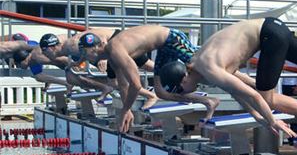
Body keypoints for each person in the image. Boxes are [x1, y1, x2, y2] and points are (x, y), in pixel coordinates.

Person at [158, 18, 297, 139]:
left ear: (183, 80)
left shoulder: (209, 69)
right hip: (273, 26)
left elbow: (253, 96)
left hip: (268, 38)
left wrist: (271, 121)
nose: (186, 93)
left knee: (267, 98)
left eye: (182, 91)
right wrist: (258, 117)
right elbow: (237, 91)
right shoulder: (200, 58)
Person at [79, 26, 218, 132]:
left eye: (88, 52)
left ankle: (238, 77)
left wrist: (125, 109)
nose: (87, 56)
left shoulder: (115, 50)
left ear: (100, 46)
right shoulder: (112, 57)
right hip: (163, 47)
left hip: (172, 38)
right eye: (84, 52)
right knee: (161, 92)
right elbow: (123, 86)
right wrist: (126, 110)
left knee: (208, 67)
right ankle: (208, 101)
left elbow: (136, 85)